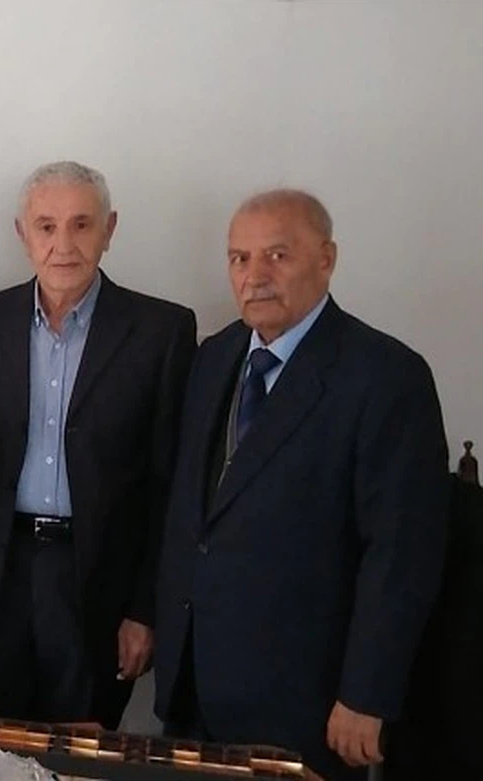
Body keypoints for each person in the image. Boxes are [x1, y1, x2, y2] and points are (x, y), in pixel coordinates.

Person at [152, 189, 450, 779]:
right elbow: (196, 518)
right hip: (196, 686)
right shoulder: (214, 356)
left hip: (306, 702)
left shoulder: (385, 377)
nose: (254, 276)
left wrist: (367, 694)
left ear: (326, 258)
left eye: (278, 256)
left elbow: (401, 553)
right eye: (239, 258)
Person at [0, 162, 195, 729]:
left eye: (81, 225)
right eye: (46, 227)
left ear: (109, 229)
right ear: (22, 234)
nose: (63, 245)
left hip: (96, 580)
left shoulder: (161, 332)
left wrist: (145, 609)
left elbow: (167, 485)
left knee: (81, 751)